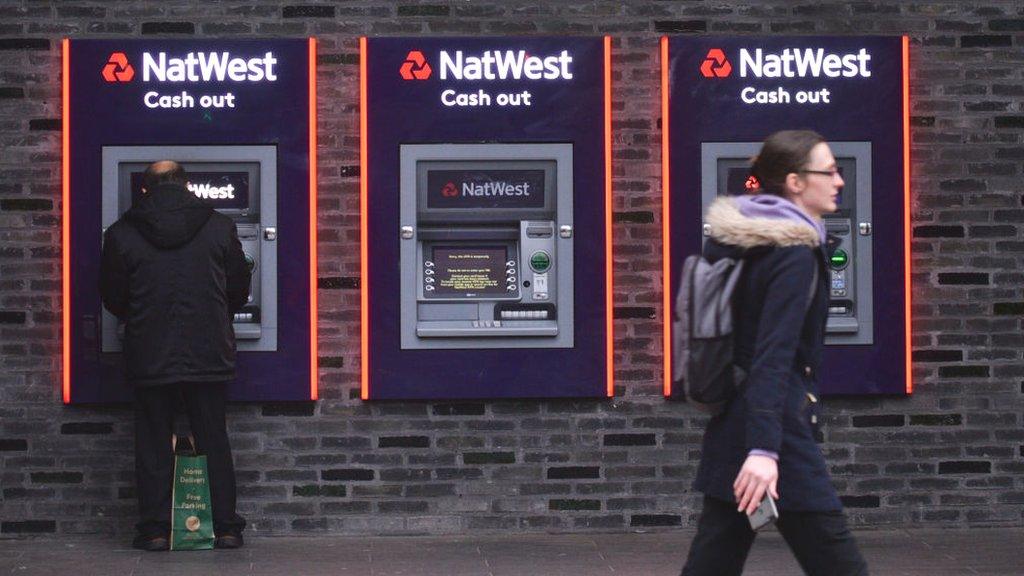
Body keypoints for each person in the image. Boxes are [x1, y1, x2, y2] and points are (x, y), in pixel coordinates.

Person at [680, 131, 869, 575]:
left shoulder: (745, 239)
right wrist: (765, 450)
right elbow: (774, 355)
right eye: (829, 171)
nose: (839, 181)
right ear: (795, 182)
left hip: (738, 418)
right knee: (838, 561)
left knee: (715, 557)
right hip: (773, 427)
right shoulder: (793, 253)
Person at [101, 161, 250, 551]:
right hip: (208, 348)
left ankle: (153, 530)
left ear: (145, 190)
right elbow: (239, 287)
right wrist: (217, 314)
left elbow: (114, 296)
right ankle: (227, 528)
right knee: (212, 437)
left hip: (149, 349)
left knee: (152, 440)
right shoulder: (219, 226)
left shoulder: (120, 233)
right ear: (187, 186)